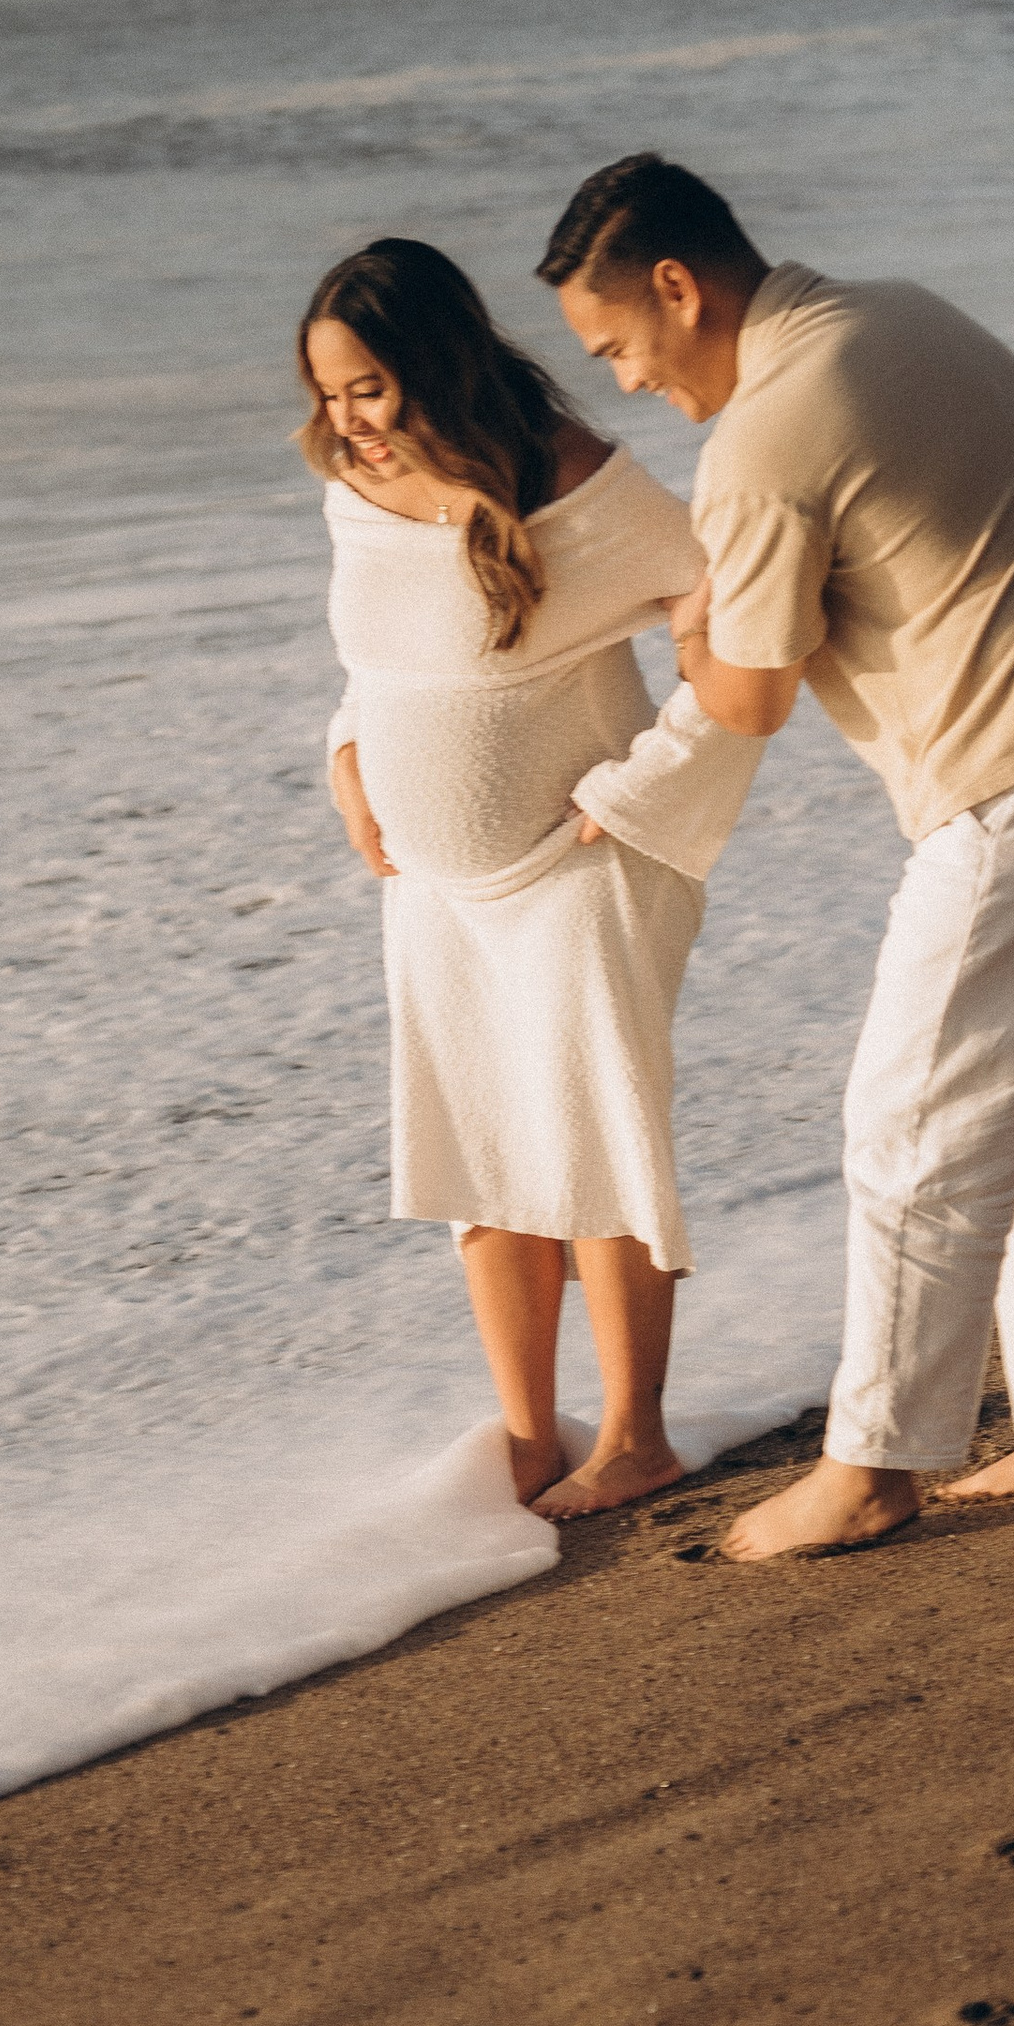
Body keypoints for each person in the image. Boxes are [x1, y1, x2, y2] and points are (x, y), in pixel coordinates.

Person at [540, 153, 1014, 1561]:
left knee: (906, 1131)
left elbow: (750, 698)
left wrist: (689, 620)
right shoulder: (898, 312)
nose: (629, 382)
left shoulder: (765, 436)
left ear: (679, 287)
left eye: (617, 348)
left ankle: (873, 1467)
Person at [303, 236, 761, 1516]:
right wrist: (349, 755)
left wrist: (638, 788)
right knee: (479, 1148)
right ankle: (525, 1433)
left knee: (592, 1143)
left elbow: (734, 629)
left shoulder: (573, 481)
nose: (348, 421)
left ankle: (635, 1437)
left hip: (577, 870)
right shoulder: (354, 481)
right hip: (432, 887)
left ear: (437, 364)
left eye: (370, 389)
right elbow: (375, 657)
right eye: (328, 395)